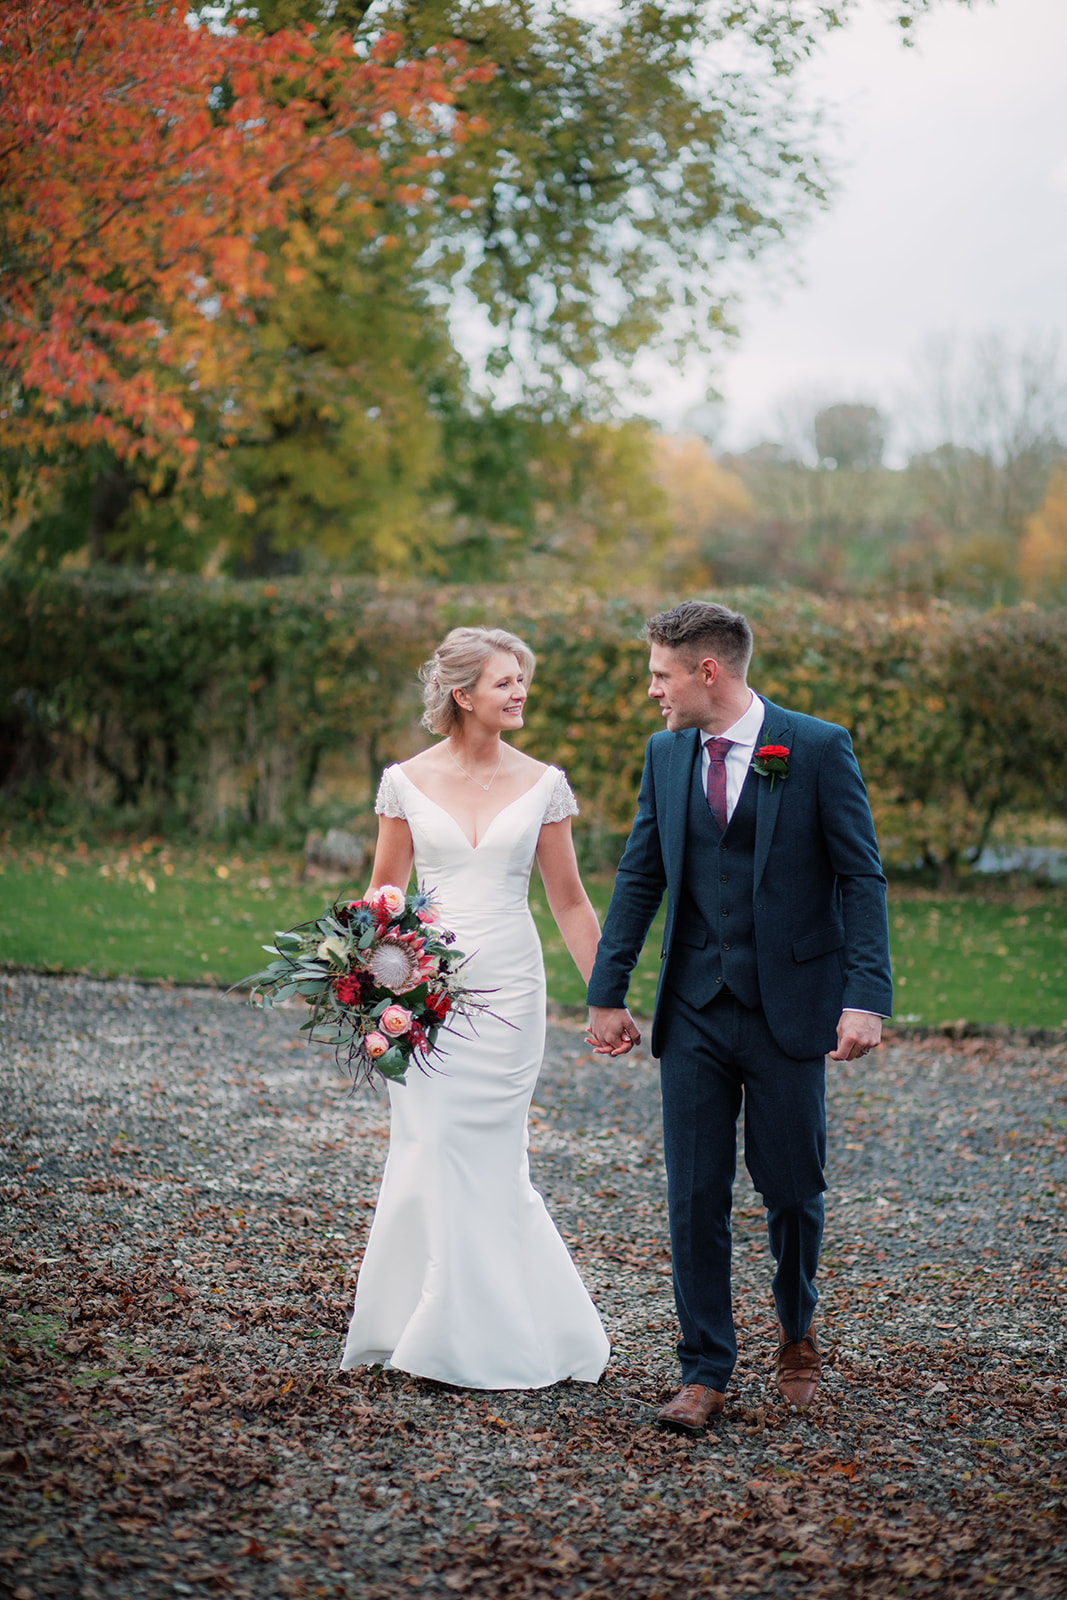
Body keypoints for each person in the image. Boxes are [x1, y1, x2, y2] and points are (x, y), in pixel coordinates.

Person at [586, 600, 891, 1432]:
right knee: (693, 1194)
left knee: (791, 1189)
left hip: (789, 1007)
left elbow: (859, 877)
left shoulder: (815, 747)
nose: (653, 690)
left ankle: (795, 1330)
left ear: (707, 672)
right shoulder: (665, 754)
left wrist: (864, 996)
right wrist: (607, 991)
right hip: (692, 1006)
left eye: (660, 675)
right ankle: (703, 1369)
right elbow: (640, 875)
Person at [340, 625, 610, 1389]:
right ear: (462, 695)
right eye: (504, 681)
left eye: (522, 679)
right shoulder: (405, 782)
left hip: (510, 994)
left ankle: (487, 1332)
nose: (520, 692)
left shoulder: (544, 784)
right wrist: (367, 988)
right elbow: (384, 897)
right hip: (423, 997)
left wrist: (607, 995)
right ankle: (421, 1321)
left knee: (490, 1155)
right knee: (430, 1146)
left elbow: (569, 901)